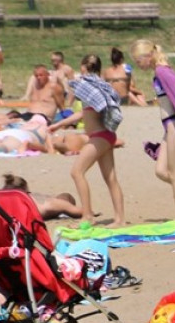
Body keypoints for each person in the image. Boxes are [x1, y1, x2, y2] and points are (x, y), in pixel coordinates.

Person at [47, 54, 126, 227]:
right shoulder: (100, 88)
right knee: (110, 178)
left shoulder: (86, 87)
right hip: (106, 136)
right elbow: (83, 113)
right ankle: (119, 219)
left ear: (83, 67)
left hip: (99, 137)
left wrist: (57, 124)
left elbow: (82, 111)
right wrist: (59, 124)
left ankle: (87, 215)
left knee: (77, 172)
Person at [131, 39, 175, 222]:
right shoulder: (161, 71)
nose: (139, 66)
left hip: (174, 125)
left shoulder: (162, 71)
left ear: (147, 56)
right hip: (169, 126)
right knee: (161, 171)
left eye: (139, 62)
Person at [0, 174, 83, 220]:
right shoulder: (46, 205)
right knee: (65, 197)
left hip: (49, 202)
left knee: (64, 197)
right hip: (50, 202)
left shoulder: (1, 201)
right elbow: (80, 212)